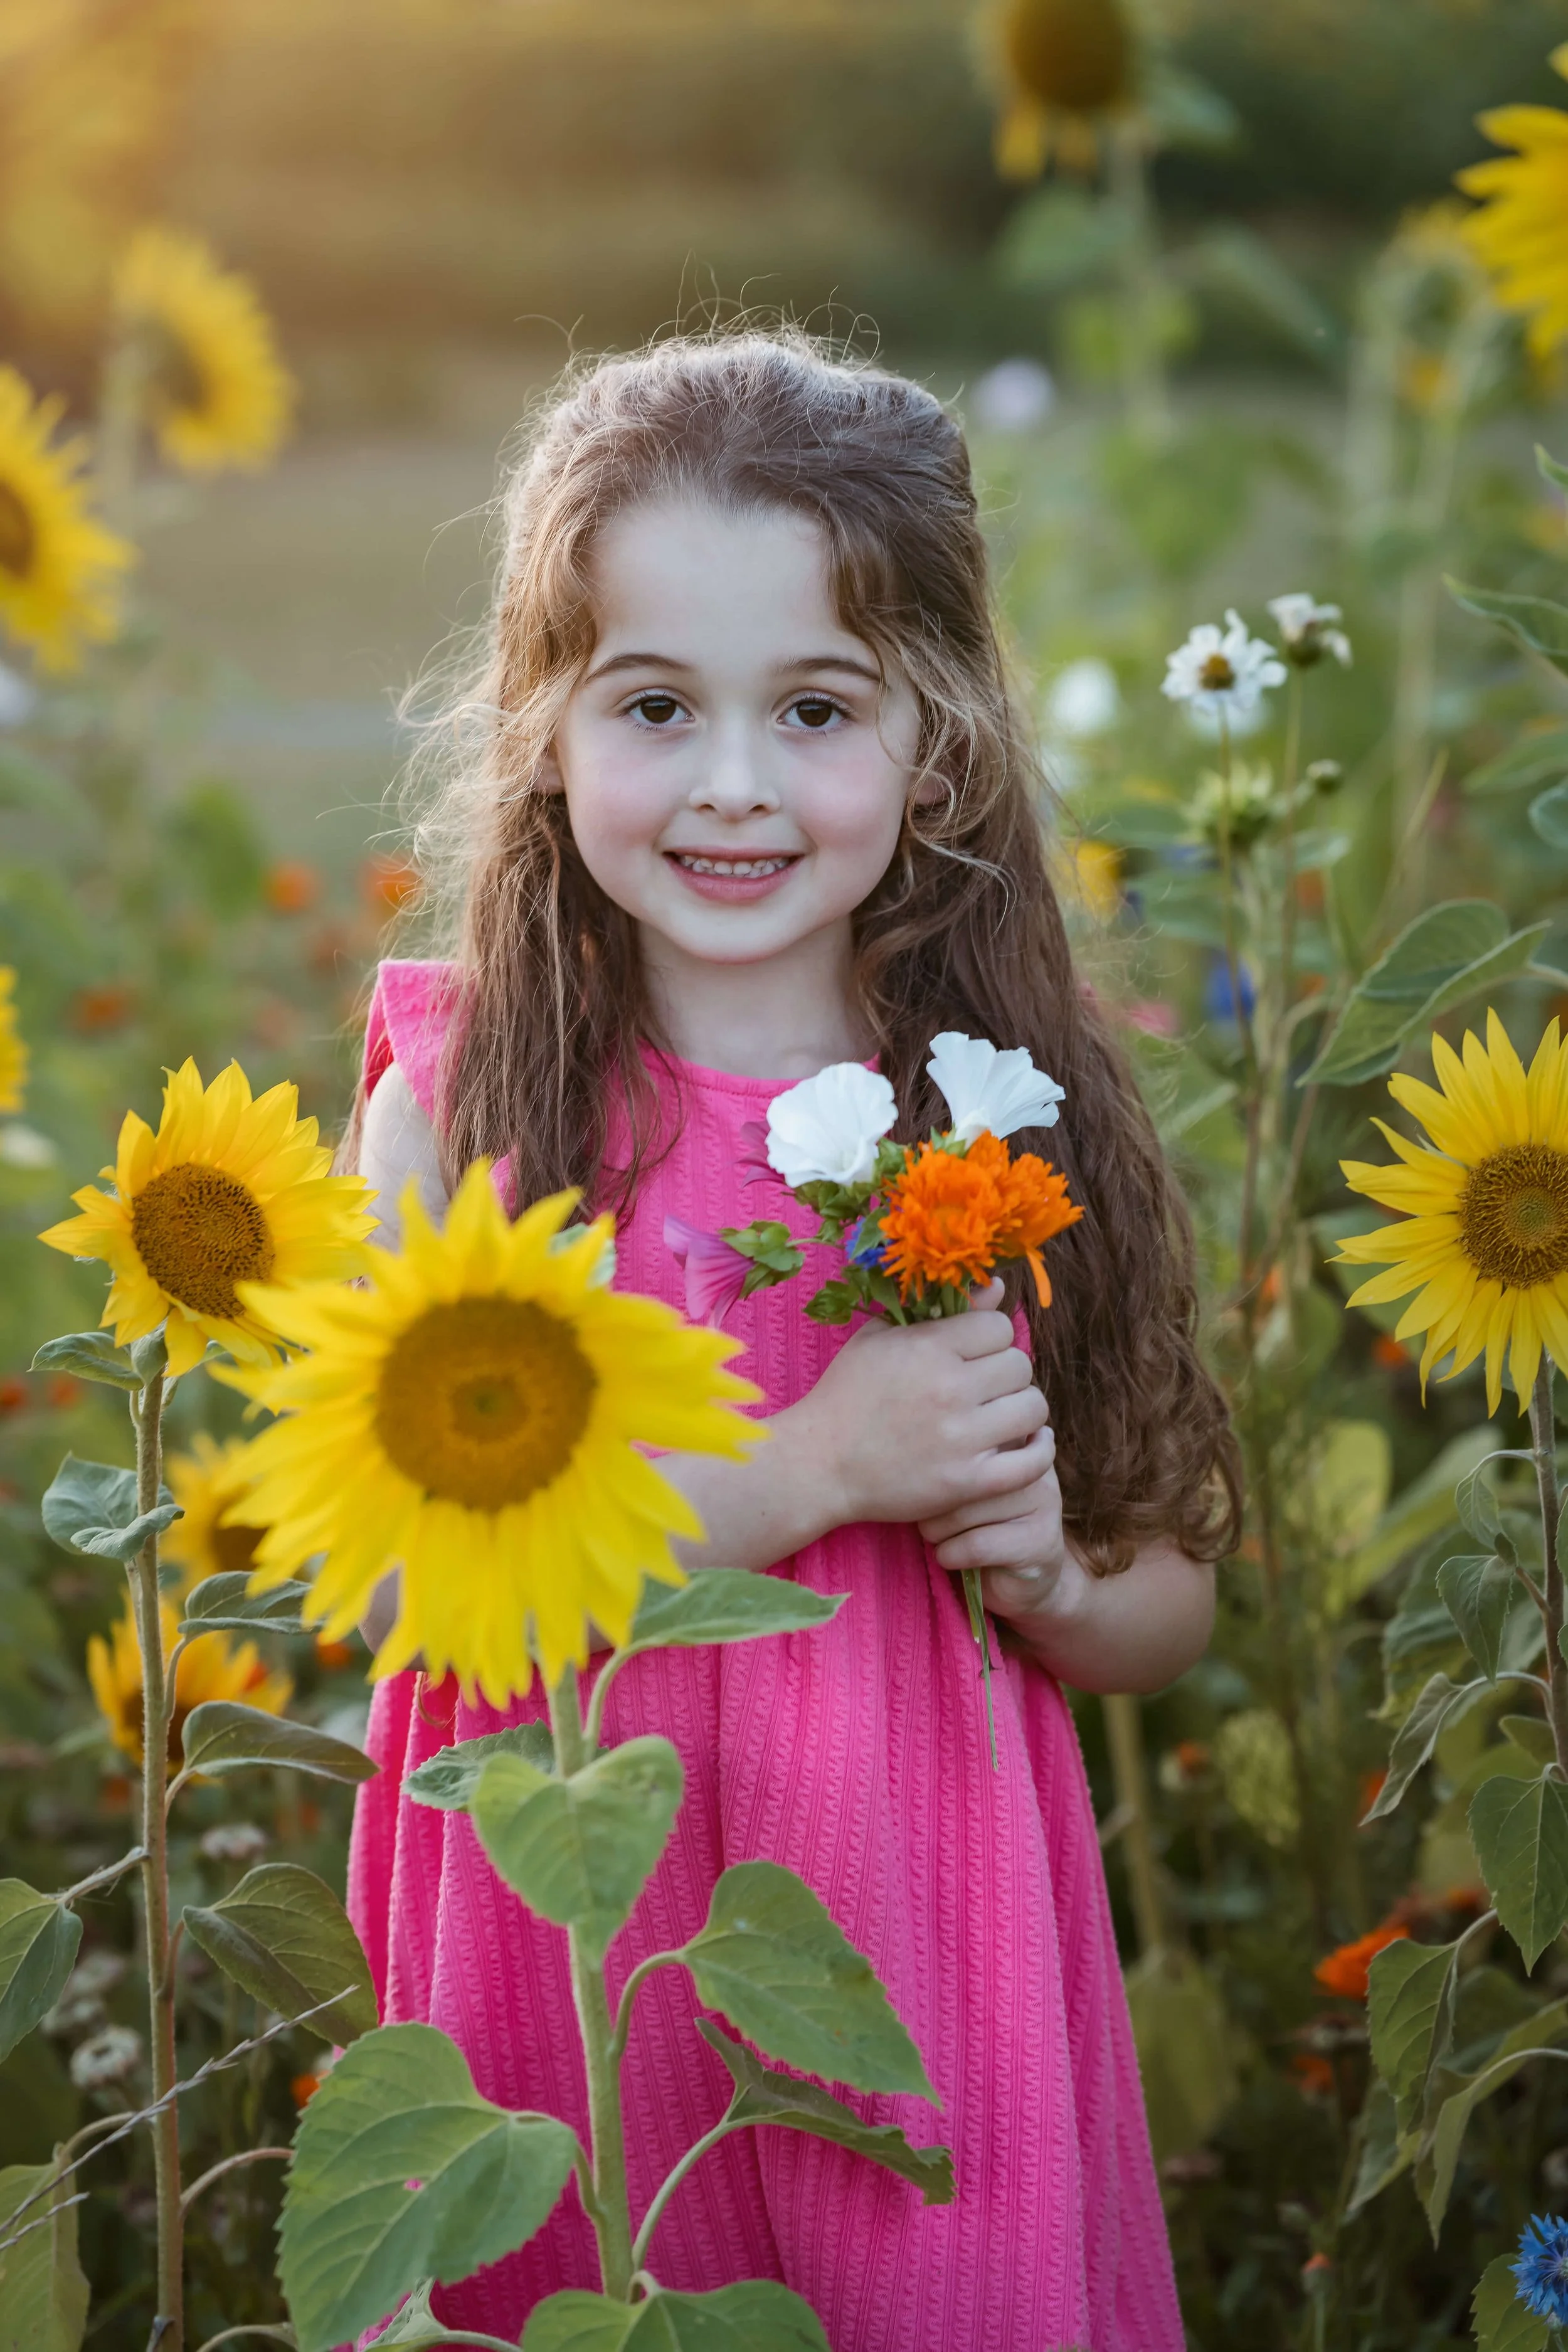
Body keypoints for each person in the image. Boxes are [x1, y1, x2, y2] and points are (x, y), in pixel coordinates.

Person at [345, 331, 1239, 2351]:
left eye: (812, 706)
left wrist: (1049, 1571)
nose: (733, 780)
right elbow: (425, 1573)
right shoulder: (465, 1104)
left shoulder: (1006, 1103)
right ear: (545, 728)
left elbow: (1165, 1584)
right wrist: (824, 1462)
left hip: (910, 1949)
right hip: (562, 1947)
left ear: (934, 743)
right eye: (655, 703)